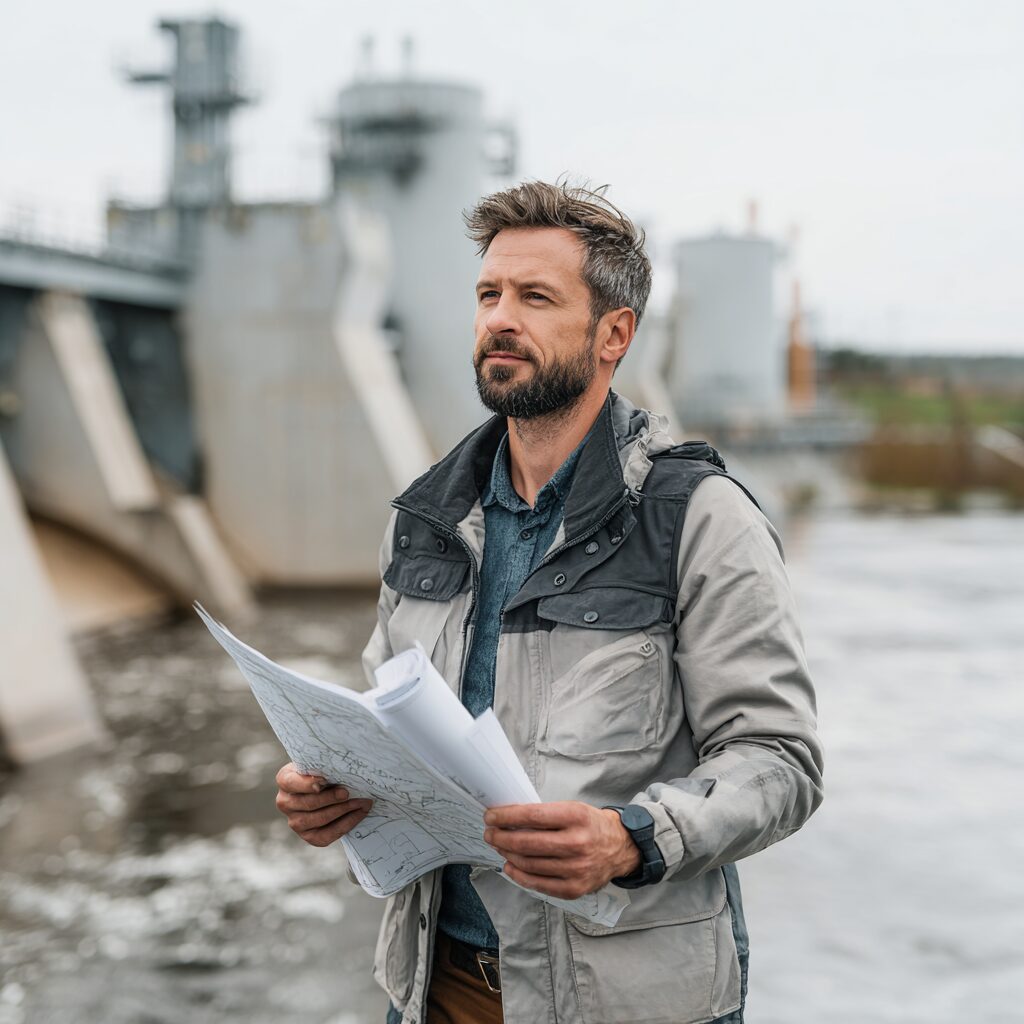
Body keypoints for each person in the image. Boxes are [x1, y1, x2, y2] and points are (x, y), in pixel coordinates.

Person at [274, 180, 824, 1024]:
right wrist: (331, 788)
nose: (500, 318)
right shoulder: (424, 520)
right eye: (489, 294)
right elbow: (381, 722)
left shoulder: (699, 519)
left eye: (536, 297)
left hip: (627, 1004)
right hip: (433, 990)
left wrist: (631, 839)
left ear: (614, 334)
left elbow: (779, 758)